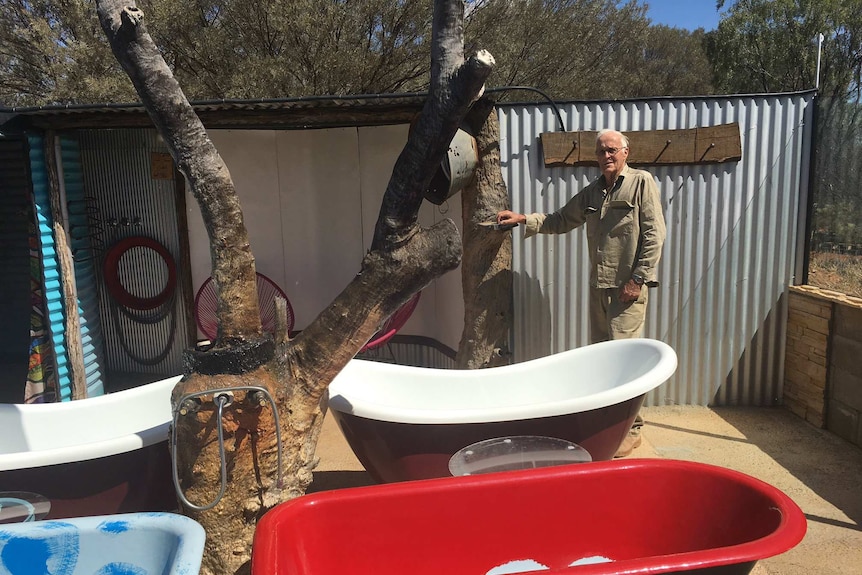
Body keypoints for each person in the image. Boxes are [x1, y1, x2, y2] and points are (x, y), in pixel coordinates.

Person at [497, 128, 666, 457]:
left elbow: (655, 234)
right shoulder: (593, 193)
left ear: (626, 152)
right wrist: (522, 219)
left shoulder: (641, 183)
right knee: (603, 360)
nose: (607, 156)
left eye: (613, 150)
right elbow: (561, 219)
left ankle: (632, 429)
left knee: (626, 361)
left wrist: (638, 280)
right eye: (602, 151)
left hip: (626, 292)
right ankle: (609, 426)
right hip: (598, 290)